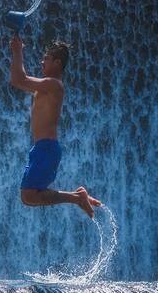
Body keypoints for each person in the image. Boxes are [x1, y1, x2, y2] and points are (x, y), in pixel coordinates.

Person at [9, 35, 101, 218]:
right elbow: (16, 80)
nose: (42, 61)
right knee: (28, 197)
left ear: (58, 63)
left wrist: (18, 51)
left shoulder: (54, 85)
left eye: (47, 58)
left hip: (47, 148)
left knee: (29, 195)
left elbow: (19, 79)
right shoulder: (45, 86)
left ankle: (77, 198)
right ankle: (77, 197)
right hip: (40, 148)